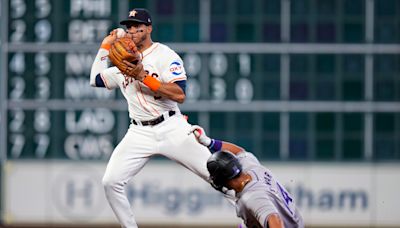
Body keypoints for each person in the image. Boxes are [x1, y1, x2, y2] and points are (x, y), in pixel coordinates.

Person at [90, 8, 213, 228]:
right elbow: (95, 79)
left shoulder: (165, 55)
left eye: (137, 26)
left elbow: (180, 95)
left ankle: (251, 217)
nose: (132, 31)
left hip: (171, 126)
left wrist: (144, 77)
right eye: (129, 27)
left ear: (149, 28)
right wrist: (105, 45)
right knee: (111, 182)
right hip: (139, 132)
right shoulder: (121, 62)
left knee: (217, 176)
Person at [190, 125, 304, 228]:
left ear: (223, 180)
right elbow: (239, 151)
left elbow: (276, 221)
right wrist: (210, 142)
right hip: (294, 221)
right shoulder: (250, 166)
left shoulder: (252, 198)